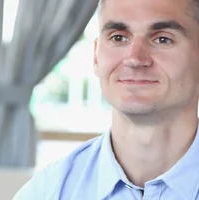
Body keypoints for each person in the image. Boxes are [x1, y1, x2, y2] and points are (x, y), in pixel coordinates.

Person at [14, 0, 199, 199]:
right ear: (96, 57)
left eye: (163, 39)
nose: (135, 59)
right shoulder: (46, 192)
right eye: (118, 37)